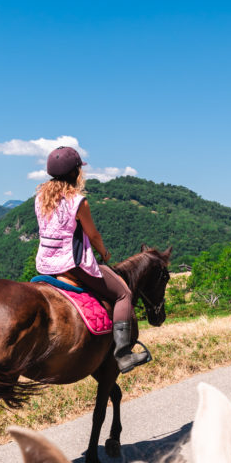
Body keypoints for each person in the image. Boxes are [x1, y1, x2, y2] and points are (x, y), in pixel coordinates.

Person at [34, 145, 151, 373]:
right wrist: (104, 253)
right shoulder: (78, 201)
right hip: (73, 264)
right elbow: (93, 234)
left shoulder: (40, 199)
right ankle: (124, 355)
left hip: (46, 264)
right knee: (123, 294)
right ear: (75, 173)